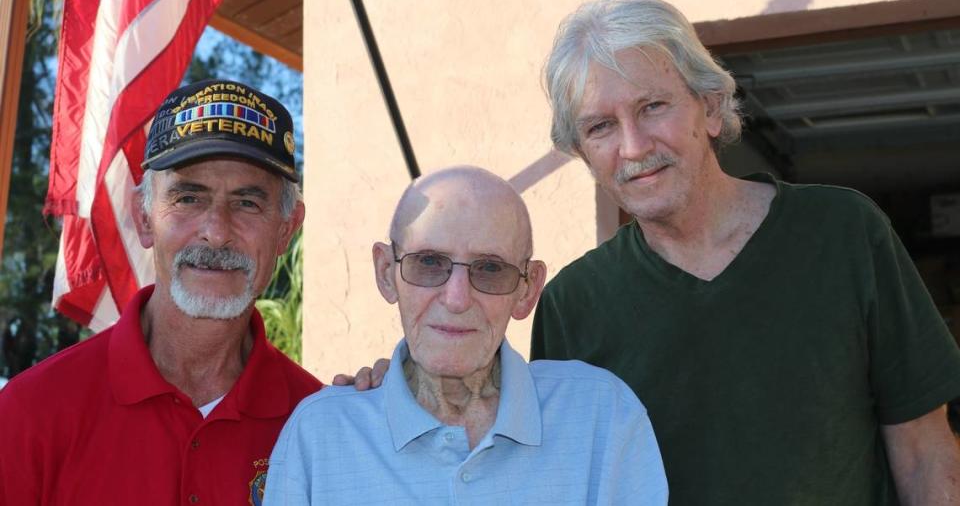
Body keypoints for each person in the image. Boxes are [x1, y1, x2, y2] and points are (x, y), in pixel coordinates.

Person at [530, 0, 960, 505]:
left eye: (652, 107)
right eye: (600, 127)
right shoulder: (572, 305)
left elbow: (925, 455)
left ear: (710, 108)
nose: (634, 146)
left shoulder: (843, 233)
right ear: (584, 154)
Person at [0, 79, 322, 505]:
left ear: (286, 229)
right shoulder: (30, 411)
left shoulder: (321, 425)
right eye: (188, 198)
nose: (216, 233)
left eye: (247, 203)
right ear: (145, 218)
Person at [264, 166, 668, 505]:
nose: (457, 298)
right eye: (428, 262)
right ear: (387, 273)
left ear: (527, 289)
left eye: (490, 269)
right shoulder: (321, 435)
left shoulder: (601, 418)